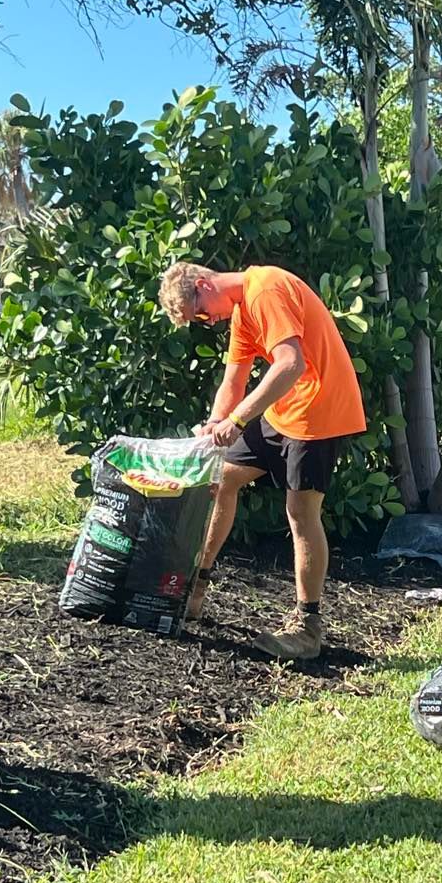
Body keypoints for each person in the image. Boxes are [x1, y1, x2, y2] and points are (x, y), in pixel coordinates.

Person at [157, 262, 367, 660]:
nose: (207, 321)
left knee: (300, 513)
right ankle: (195, 589)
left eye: (200, 312)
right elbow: (234, 381)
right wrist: (217, 423)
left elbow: (291, 364)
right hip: (284, 408)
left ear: (203, 284)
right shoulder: (241, 312)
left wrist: (237, 420)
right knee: (222, 478)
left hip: (321, 411)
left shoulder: (265, 289)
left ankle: (308, 628)